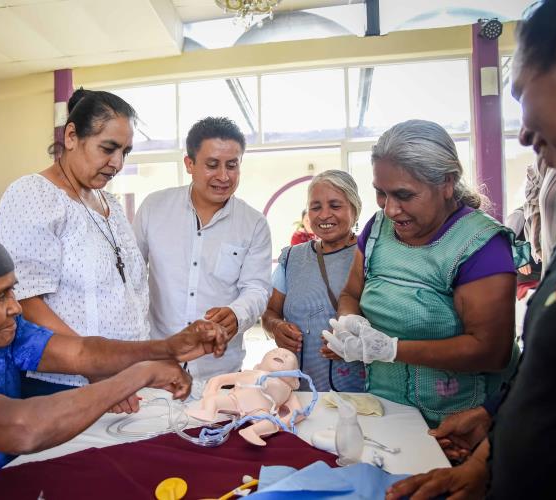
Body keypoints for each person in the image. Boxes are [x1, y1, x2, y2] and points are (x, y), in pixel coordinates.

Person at [0, 231, 229, 498]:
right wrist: (142, 373)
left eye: (12, 291)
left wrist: (167, 347)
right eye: (0, 297)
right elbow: (23, 429)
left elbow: (82, 353)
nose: (16, 307)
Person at [387, 1, 556, 497]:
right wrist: (495, 436)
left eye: (520, 93)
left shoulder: (481, 243)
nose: (523, 132)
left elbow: (494, 350)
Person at [324, 119, 528, 427]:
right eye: (381, 193)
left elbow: (491, 351)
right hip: (387, 408)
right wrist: (351, 322)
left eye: (404, 195)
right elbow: (351, 293)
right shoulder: (377, 229)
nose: (390, 209)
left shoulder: (481, 245)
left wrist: (392, 349)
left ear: (446, 183)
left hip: (460, 422)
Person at [0, 89, 149, 395]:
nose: (117, 163)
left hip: (121, 377)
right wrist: (92, 365)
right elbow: (26, 302)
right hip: (63, 384)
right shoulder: (34, 195)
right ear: (70, 136)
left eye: (126, 152)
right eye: (108, 148)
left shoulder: (111, 205)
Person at [133, 117, 272, 380]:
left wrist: (237, 312)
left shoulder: (253, 224)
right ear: (189, 163)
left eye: (232, 166)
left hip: (219, 371)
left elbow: (256, 288)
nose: (223, 176)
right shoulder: (154, 208)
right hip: (157, 366)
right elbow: (130, 279)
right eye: (212, 165)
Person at [262, 170, 365, 392]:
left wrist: (356, 341)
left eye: (335, 206)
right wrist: (276, 327)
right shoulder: (292, 258)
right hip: (300, 394)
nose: (324, 215)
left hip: (360, 394)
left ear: (354, 210)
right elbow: (270, 312)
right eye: (316, 207)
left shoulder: (369, 256)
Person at [186, 347, 303, 446]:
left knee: (270, 424)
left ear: (295, 380)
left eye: (288, 356)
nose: (280, 354)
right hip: (235, 399)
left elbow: (299, 412)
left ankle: (252, 431)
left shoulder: (287, 389)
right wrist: (210, 393)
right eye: (274, 352)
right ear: (258, 365)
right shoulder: (249, 374)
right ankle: (208, 412)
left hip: (259, 410)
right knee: (213, 400)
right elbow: (218, 379)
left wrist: (281, 422)